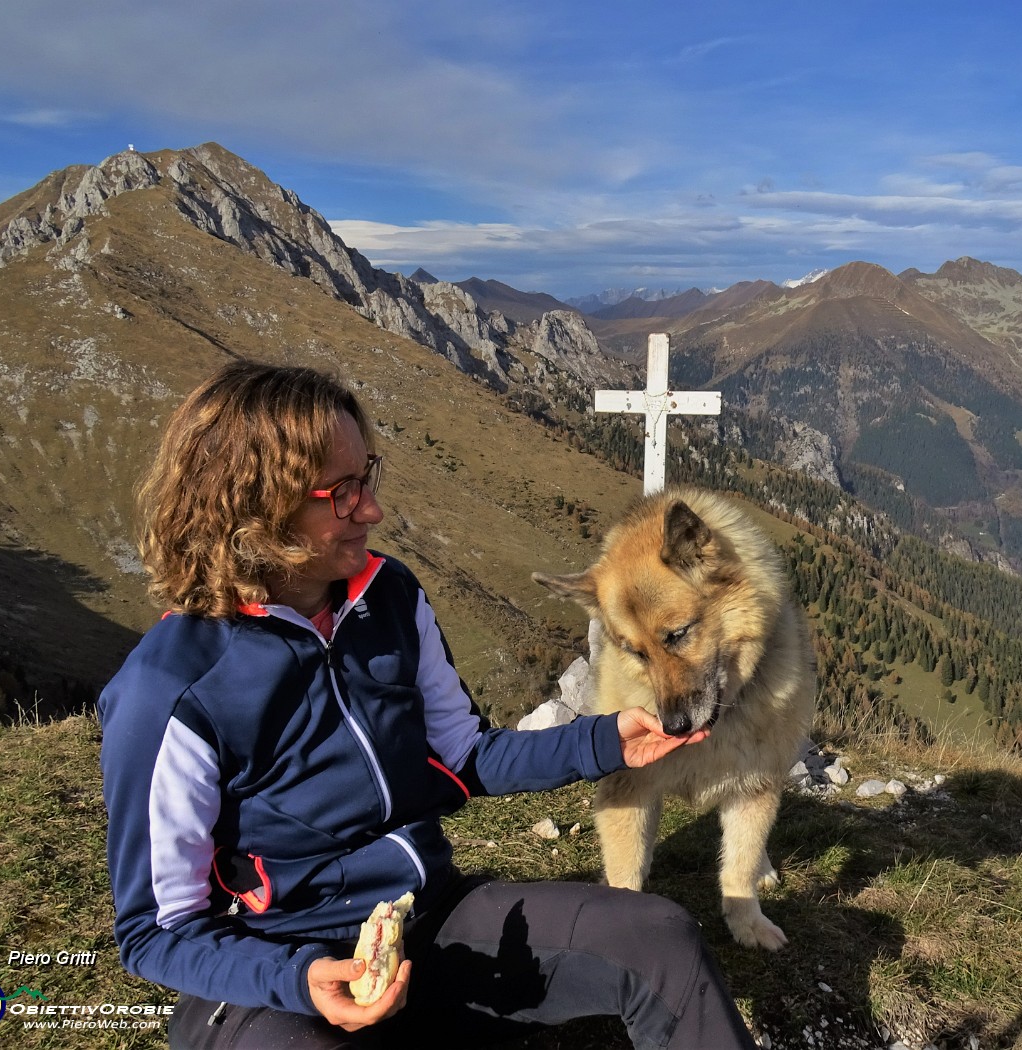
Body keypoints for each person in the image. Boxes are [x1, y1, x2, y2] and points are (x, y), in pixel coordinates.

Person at [98, 360, 757, 1050]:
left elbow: (463, 755)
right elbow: (156, 932)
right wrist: (300, 978)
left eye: (368, 477)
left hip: (425, 919)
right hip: (270, 970)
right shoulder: (169, 690)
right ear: (255, 508)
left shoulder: (389, 596)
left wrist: (606, 742)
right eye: (342, 492)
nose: (372, 510)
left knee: (661, 940)